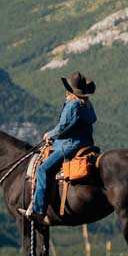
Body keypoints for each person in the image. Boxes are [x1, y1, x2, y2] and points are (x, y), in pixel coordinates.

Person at [20, 72, 97, 221]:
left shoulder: (73, 104)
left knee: (43, 169)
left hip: (71, 145)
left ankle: (39, 210)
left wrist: (50, 135)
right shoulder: (87, 105)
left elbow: (63, 127)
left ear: (70, 90)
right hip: (86, 142)